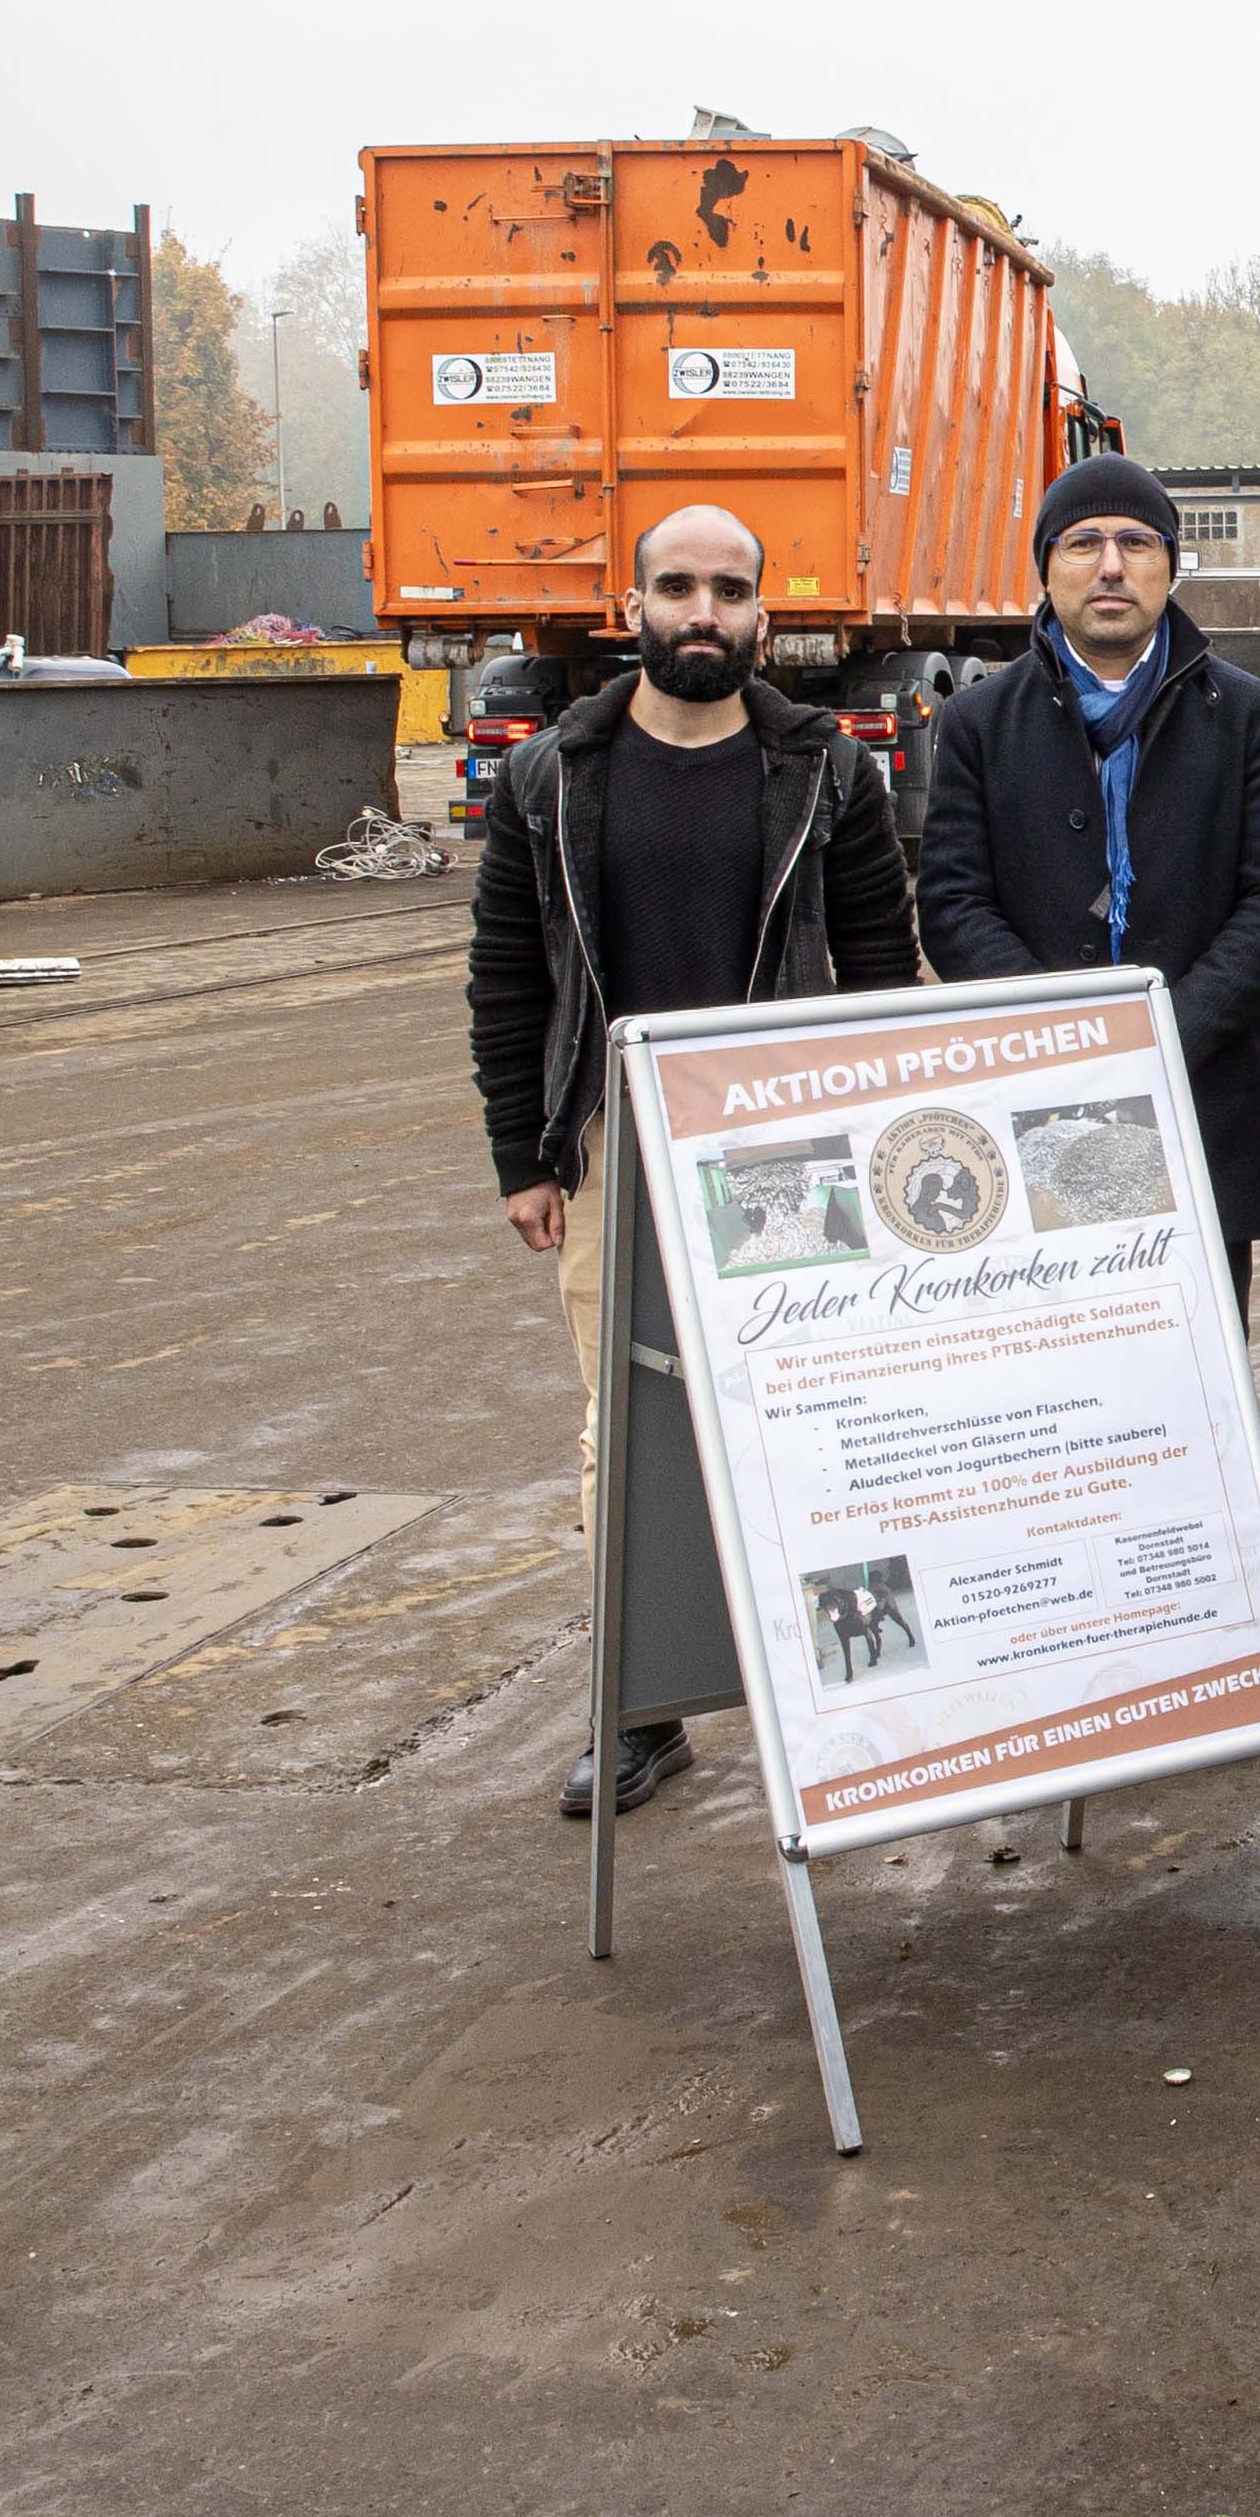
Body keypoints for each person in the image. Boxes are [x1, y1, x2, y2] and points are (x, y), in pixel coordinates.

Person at [465, 501, 922, 1818]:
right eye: (678, 587)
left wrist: (881, 1156)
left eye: (729, 588)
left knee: (815, 1434)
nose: (703, 612)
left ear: (764, 614)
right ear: (634, 606)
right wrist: (524, 1155)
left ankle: (861, 1688)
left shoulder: (825, 771)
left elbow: (883, 970)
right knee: (630, 1440)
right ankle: (642, 1713)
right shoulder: (552, 775)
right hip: (613, 1148)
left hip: (783, 1156)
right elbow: (507, 977)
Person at [913, 451, 1260, 1322]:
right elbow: (950, 903)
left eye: (1137, 542)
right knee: (1054, 1382)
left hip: (1198, 1090)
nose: (1110, 565)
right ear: (1046, 566)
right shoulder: (978, 723)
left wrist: (1165, 1032)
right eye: (1082, 542)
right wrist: (1062, 1033)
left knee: (1200, 1378)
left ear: (1170, 564)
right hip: (1032, 1101)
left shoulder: (1247, 713)